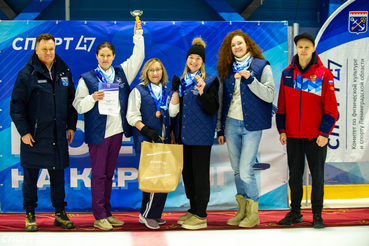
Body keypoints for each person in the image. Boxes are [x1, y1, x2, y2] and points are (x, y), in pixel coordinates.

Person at [72, 22, 144, 231]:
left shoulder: (121, 74)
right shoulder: (87, 78)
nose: (105, 58)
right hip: (98, 134)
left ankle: (107, 213)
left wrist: (138, 34)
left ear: (113, 57)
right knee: (99, 174)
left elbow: (138, 57)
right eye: (102, 55)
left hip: (117, 132)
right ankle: (99, 216)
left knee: (109, 174)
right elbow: (78, 105)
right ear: (97, 56)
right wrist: (92, 98)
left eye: (108, 55)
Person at [10, 33, 78, 232]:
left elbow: (70, 102)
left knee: (58, 177)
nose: (48, 52)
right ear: (36, 50)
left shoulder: (64, 71)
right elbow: (16, 106)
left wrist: (71, 126)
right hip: (35, 137)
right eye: (44, 49)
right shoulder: (26, 74)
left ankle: (60, 213)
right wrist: (23, 131)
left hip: (58, 134)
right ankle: (29, 213)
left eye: (51, 49)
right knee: (31, 177)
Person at [276, 32, 338, 229]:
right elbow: (282, 106)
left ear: (313, 49)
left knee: (317, 176)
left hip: (316, 137)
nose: (303, 50)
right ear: (296, 48)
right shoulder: (287, 73)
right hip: (293, 135)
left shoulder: (324, 74)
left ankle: (317, 214)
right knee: (294, 175)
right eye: (300, 47)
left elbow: (331, 108)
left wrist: (324, 133)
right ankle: (295, 212)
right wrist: (282, 130)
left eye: (307, 47)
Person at [216, 30, 276, 228]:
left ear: (248, 45)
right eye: (233, 45)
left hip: (252, 126)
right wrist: (221, 129)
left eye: (240, 43)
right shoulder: (228, 69)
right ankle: (241, 210)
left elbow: (269, 95)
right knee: (236, 170)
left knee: (245, 170)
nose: (237, 47)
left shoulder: (261, 66)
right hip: (231, 124)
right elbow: (223, 101)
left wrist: (251, 80)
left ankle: (253, 212)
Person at [170, 37, 219, 230]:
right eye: (191, 57)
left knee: (199, 175)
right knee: (188, 174)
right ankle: (192, 209)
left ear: (203, 61)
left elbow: (213, 108)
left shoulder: (210, 81)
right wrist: (174, 131)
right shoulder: (182, 82)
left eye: (198, 58)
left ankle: (201, 214)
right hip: (183, 135)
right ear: (186, 60)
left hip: (201, 137)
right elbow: (176, 110)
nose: (194, 61)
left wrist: (202, 92)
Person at [127, 58, 173, 229]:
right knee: (153, 179)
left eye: (158, 69)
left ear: (162, 72)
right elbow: (131, 115)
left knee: (163, 178)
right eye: (152, 70)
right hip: (147, 139)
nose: (155, 73)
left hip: (164, 140)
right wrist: (146, 130)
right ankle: (148, 214)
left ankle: (150, 213)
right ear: (146, 73)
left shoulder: (167, 92)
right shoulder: (138, 91)